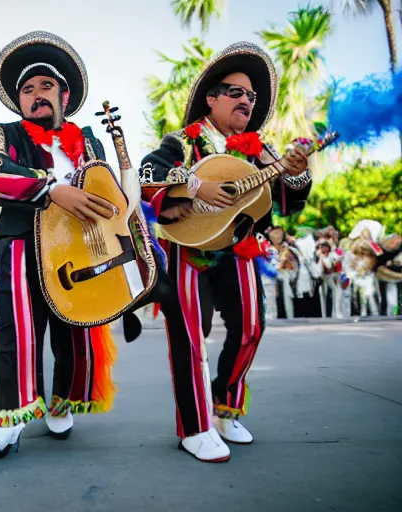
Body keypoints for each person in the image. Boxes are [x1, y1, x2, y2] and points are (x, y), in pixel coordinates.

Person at [0, 31, 147, 458]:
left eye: (45, 86)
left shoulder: (87, 139)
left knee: (75, 326)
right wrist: (50, 188)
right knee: (19, 329)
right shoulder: (4, 131)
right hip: (20, 241)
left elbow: (107, 190)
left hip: (78, 249)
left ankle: (64, 400)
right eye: (27, 90)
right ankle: (9, 420)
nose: (36, 96)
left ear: (64, 95)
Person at [139, 42, 313, 447]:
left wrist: (297, 173)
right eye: (236, 92)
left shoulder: (261, 150)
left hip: (240, 246)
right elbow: (149, 174)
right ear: (212, 99)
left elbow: (285, 204)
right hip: (191, 247)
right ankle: (196, 428)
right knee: (190, 335)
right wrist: (193, 188)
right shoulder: (184, 139)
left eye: (251, 96)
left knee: (251, 328)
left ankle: (225, 407)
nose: (246, 100)